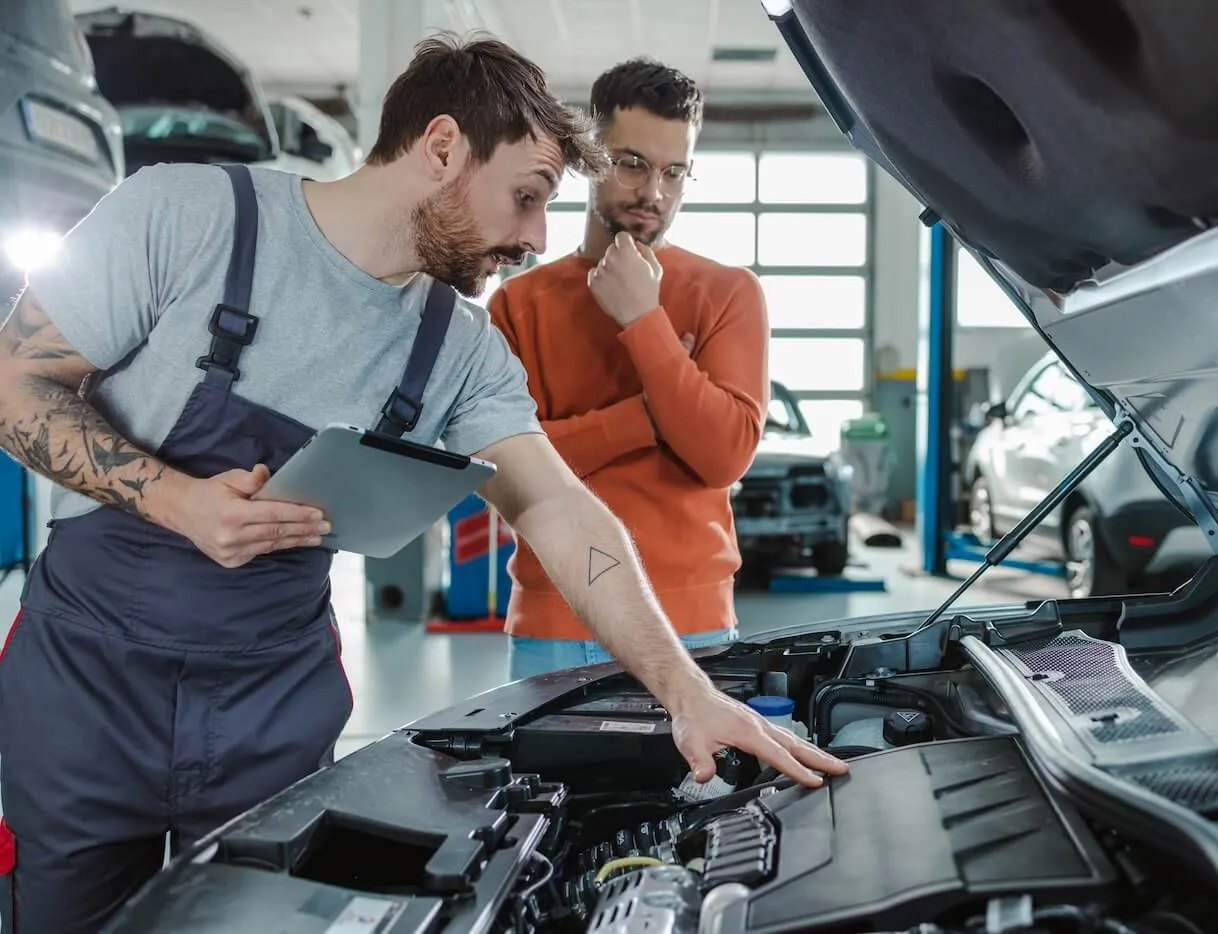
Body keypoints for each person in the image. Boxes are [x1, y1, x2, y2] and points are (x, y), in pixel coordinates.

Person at [0, 34, 844, 933]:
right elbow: (14, 382)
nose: (535, 239)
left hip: (269, 705)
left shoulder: (458, 346)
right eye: (525, 198)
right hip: (88, 689)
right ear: (442, 147)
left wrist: (689, 692)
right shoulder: (186, 214)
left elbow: (556, 507)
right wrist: (178, 503)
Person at [489, 58, 770, 680]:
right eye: (633, 163)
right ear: (589, 155)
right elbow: (508, 476)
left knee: (696, 785)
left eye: (675, 172)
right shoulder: (518, 304)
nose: (654, 194)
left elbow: (722, 455)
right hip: (554, 623)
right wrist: (650, 416)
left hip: (693, 626)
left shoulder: (728, 293)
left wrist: (643, 321)